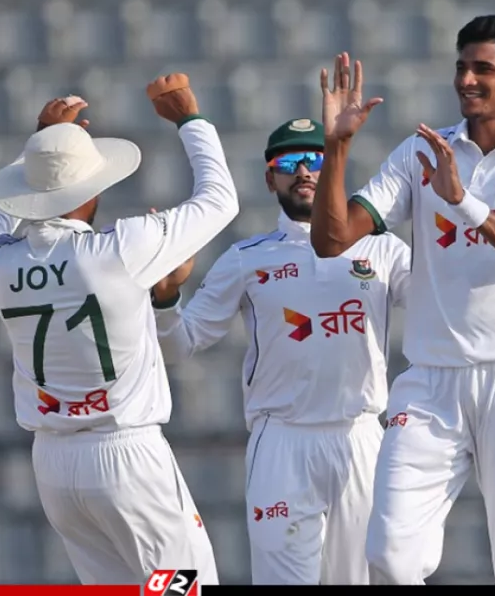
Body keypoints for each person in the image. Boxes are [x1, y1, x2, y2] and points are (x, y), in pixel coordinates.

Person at [308, 14, 495, 585]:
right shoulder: (422, 151)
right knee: (390, 555)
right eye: (461, 67)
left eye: (484, 68)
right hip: (430, 380)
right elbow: (331, 240)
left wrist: (464, 202)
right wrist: (336, 148)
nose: (466, 80)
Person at [0, 77, 238, 585]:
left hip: (55, 466)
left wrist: (43, 146)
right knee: (186, 588)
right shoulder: (121, 247)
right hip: (126, 458)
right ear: (90, 191)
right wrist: (190, 118)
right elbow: (220, 200)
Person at [149, 117, 410, 585]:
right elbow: (179, 345)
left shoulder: (383, 249)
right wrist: (165, 297)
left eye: (315, 160)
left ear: (335, 168)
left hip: (360, 436)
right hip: (282, 443)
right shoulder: (247, 258)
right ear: (270, 180)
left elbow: (444, 301)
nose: (304, 171)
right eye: (289, 163)